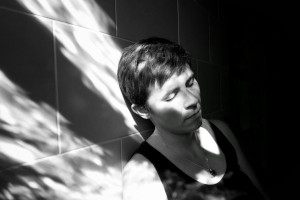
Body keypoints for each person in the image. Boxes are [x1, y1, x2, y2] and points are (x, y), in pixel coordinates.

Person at [118, 37, 268, 200]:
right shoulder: (143, 175)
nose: (192, 100)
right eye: (170, 96)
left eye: (190, 83)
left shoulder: (221, 130)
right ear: (143, 110)